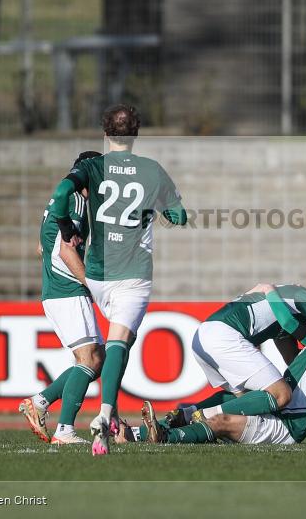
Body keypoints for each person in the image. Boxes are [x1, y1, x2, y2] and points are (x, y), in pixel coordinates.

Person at [45, 104, 187, 455]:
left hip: (97, 275)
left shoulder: (92, 167)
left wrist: (65, 227)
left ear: (105, 133)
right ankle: (106, 413)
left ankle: (96, 415)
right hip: (132, 274)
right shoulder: (152, 170)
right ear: (136, 133)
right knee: (118, 342)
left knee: (105, 348)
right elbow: (179, 216)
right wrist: (160, 209)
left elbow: (63, 194)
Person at [124, 284, 306, 446]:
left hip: (285, 426)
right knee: (255, 399)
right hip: (225, 340)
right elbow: (290, 346)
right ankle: (179, 422)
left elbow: (294, 325)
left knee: (272, 397)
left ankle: (146, 432)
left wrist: (270, 292)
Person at [19, 150, 104, 445]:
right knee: (89, 359)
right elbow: (66, 251)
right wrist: (92, 285)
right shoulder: (77, 201)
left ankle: (41, 402)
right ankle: (64, 430)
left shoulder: (61, 203)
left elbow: (42, 246)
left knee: (96, 359)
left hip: (57, 290)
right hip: (67, 290)